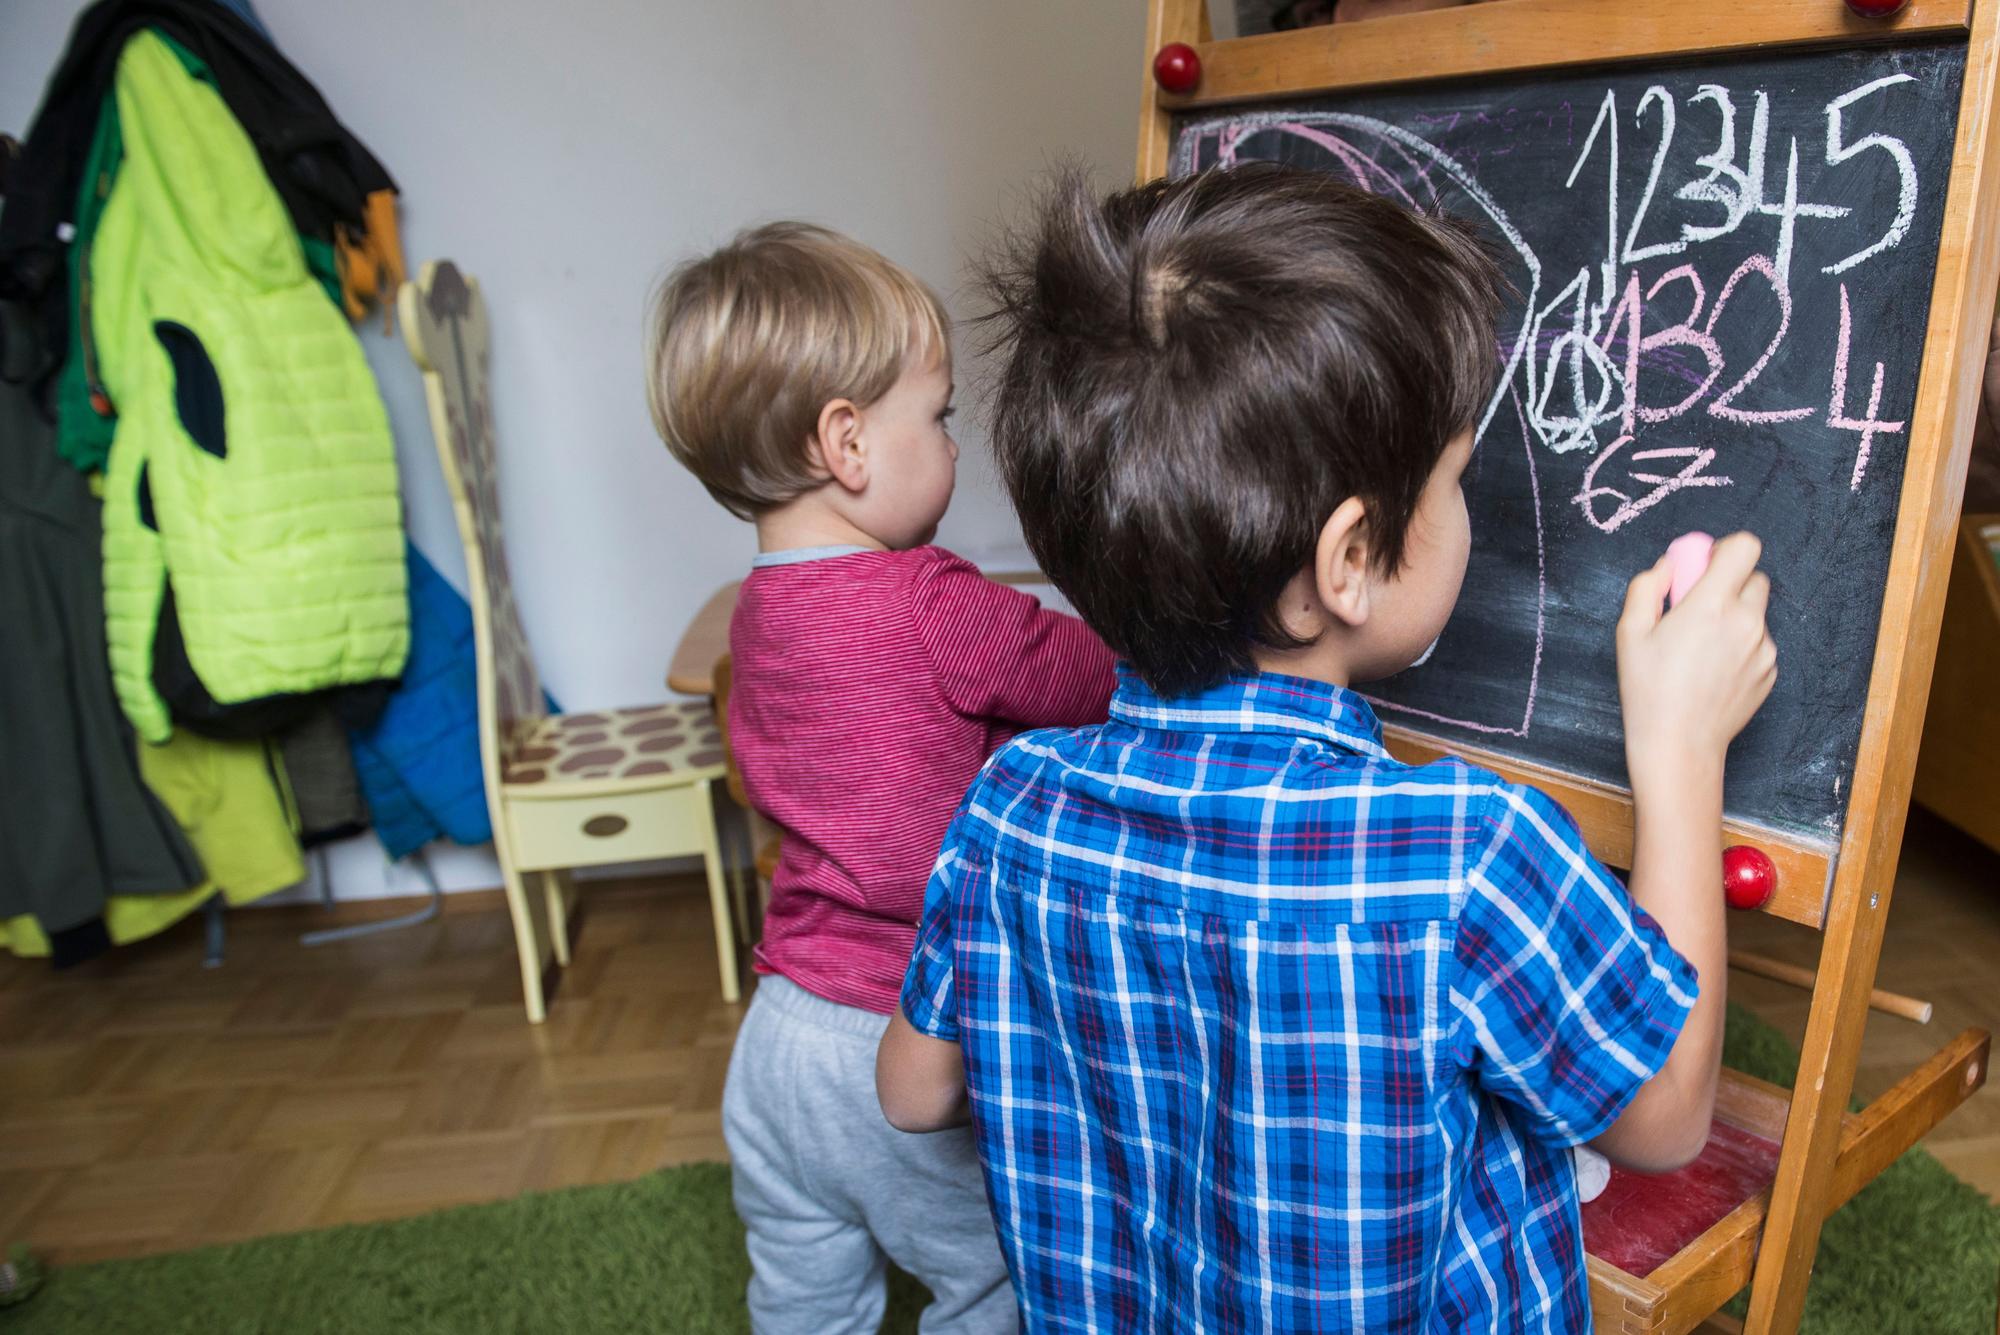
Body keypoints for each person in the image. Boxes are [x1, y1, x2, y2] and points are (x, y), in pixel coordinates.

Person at [877, 166, 1775, 1332]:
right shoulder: (1460, 855)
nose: (1467, 515)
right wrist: (1679, 750)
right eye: (1454, 483)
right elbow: (1660, 1120)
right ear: (1346, 561)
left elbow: (912, 1091)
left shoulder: (1006, 810)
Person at [647, 221, 1115, 1334]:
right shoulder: (929, 598)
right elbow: (1087, 676)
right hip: (898, 1038)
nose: (953, 447)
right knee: (992, 1276)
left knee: (806, 1292)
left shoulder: (753, 612)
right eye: (940, 417)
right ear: (847, 445)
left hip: (778, 1039)